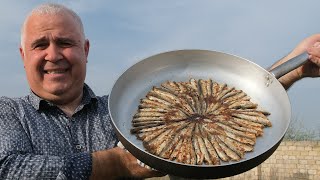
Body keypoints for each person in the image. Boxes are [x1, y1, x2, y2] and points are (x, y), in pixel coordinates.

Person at [0, 2, 319, 180]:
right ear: (23, 55)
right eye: (40, 45)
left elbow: (216, 109)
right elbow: (9, 169)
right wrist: (118, 164)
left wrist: (293, 65)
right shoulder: (8, 113)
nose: (53, 55)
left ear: (85, 49)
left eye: (65, 43)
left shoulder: (119, 112)